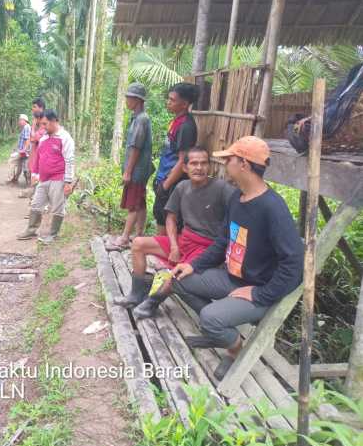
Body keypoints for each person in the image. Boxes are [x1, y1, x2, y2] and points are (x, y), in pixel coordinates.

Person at [168, 137, 303, 380]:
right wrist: (193, 265)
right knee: (178, 278)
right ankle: (221, 327)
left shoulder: (273, 208)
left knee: (210, 317)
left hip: (260, 290)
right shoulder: (237, 199)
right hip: (232, 278)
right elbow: (223, 243)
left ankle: (233, 347)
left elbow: (294, 267)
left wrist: (259, 293)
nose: (224, 164)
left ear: (244, 164)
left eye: (229, 159)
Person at [117, 146, 235, 316]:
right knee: (138, 243)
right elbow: (171, 217)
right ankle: (136, 295)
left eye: (203, 163)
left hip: (207, 247)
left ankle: (153, 302)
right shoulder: (182, 187)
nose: (199, 168)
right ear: (185, 168)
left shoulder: (221, 188)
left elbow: (243, 206)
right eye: (194, 163)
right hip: (184, 240)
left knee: (180, 272)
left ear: (209, 166)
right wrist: (174, 246)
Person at [106, 83, 154, 251]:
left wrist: (128, 171)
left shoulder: (141, 120)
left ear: (137, 100)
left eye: (129, 97)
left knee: (133, 204)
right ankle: (139, 234)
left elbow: (136, 147)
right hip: (139, 170)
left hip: (137, 171)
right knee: (140, 202)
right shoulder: (138, 118)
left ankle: (125, 237)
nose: (126, 100)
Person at [17, 110, 75, 244]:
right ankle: (31, 230)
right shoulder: (43, 139)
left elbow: (69, 161)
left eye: (45, 124)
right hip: (43, 179)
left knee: (57, 207)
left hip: (58, 178)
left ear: (54, 121)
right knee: (36, 204)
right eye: (41, 124)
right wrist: (35, 173)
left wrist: (68, 182)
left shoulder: (65, 138)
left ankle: (53, 234)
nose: (43, 127)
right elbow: (39, 157)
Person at [153, 83, 199, 235]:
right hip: (165, 177)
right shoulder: (177, 121)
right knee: (160, 215)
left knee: (168, 218)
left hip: (173, 182)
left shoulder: (186, 127)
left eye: (172, 100)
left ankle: (162, 252)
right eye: (169, 99)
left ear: (184, 104)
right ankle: (160, 250)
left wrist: (166, 185)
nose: (168, 102)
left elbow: (182, 161)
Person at [9, 114, 31, 184]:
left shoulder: (26, 127)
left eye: (20, 120)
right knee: (20, 165)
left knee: (11, 160)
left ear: (24, 120)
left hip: (24, 151)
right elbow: (22, 140)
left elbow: (27, 139)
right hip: (22, 150)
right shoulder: (25, 128)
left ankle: (11, 178)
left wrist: (23, 150)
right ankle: (15, 179)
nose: (19, 121)